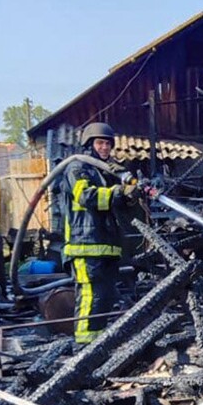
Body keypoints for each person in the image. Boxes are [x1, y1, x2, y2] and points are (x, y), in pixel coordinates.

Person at [61, 122, 142, 345]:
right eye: (100, 143)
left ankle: (98, 345)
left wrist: (132, 194)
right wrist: (119, 192)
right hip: (85, 245)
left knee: (105, 297)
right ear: (89, 144)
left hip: (108, 245)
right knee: (91, 296)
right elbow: (87, 196)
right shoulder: (77, 167)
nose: (104, 148)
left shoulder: (109, 171)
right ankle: (83, 347)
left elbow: (121, 203)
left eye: (107, 144)